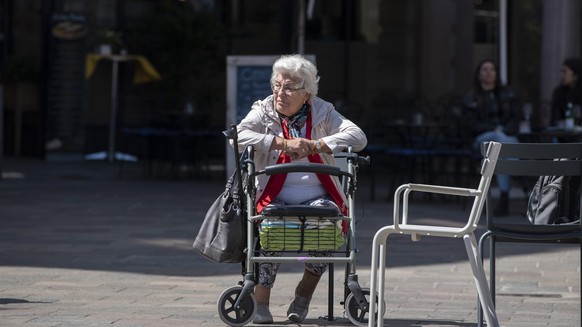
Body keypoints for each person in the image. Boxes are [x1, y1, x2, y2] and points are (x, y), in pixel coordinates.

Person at [235, 54, 367, 324]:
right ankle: (261, 303)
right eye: (276, 85)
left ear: (306, 93)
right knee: (272, 231)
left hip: (319, 194)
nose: (280, 93)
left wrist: (316, 145)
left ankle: (303, 294)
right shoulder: (264, 109)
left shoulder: (323, 111)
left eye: (288, 88)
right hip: (274, 193)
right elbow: (238, 136)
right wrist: (282, 144)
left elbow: (358, 136)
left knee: (327, 230)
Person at [462, 59, 522, 216]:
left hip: (504, 140)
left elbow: (516, 120)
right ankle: (517, 167)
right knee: (497, 138)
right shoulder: (471, 97)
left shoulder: (508, 94)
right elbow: (470, 124)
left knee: (498, 151)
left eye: (492, 69)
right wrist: (494, 129)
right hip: (482, 139)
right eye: (485, 69)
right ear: (478, 74)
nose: (489, 73)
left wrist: (504, 131)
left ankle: (504, 199)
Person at [550, 58, 582, 127]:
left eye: (565, 72)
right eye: (561, 72)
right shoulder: (558, 92)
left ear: (575, 75)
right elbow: (555, 118)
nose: (562, 75)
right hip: (562, 133)